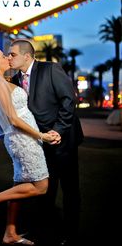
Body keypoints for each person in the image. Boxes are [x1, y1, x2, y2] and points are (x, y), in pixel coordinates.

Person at [0, 46, 61, 245]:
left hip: (25, 137)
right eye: (4, 56)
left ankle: (9, 234)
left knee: (19, 184)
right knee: (41, 186)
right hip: (23, 138)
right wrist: (41, 136)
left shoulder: (3, 81)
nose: (8, 58)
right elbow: (12, 118)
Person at [8, 39, 84, 246]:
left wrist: (58, 130)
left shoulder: (50, 69)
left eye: (12, 54)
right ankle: (43, 231)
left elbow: (69, 100)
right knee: (45, 188)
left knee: (69, 189)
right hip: (39, 142)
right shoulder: (14, 80)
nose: (9, 57)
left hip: (64, 138)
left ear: (26, 55)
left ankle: (70, 234)